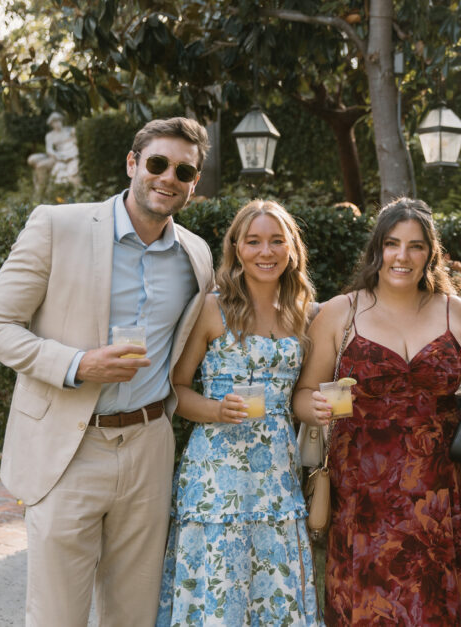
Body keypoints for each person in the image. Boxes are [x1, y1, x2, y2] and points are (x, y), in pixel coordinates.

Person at [0, 117, 214, 626]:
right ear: (132, 163)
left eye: (183, 171)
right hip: (70, 447)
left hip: (149, 446)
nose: (168, 177)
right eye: (157, 163)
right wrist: (77, 364)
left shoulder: (196, 255)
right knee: (57, 614)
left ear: (194, 183)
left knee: (134, 614)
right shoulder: (57, 226)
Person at [293, 197, 461, 626]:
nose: (403, 256)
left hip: (440, 493)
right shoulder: (341, 312)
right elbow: (302, 394)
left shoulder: (456, 313)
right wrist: (315, 407)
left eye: (416, 246)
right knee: (367, 605)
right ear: (377, 248)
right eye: (393, 243)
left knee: (436, 606)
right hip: (362, 493)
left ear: (430, 254)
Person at [156, 200, 321, 625]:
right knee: (220, 589)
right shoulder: (212, 308)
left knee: (278, 591)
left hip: (277, 476)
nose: (266, 251)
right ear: (236, 248)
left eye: (276, 241)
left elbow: (302, 393)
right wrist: (215, 409)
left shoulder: (305, 312)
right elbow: (176, 390)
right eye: (253, 241)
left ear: (292, 249)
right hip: (217, 477)